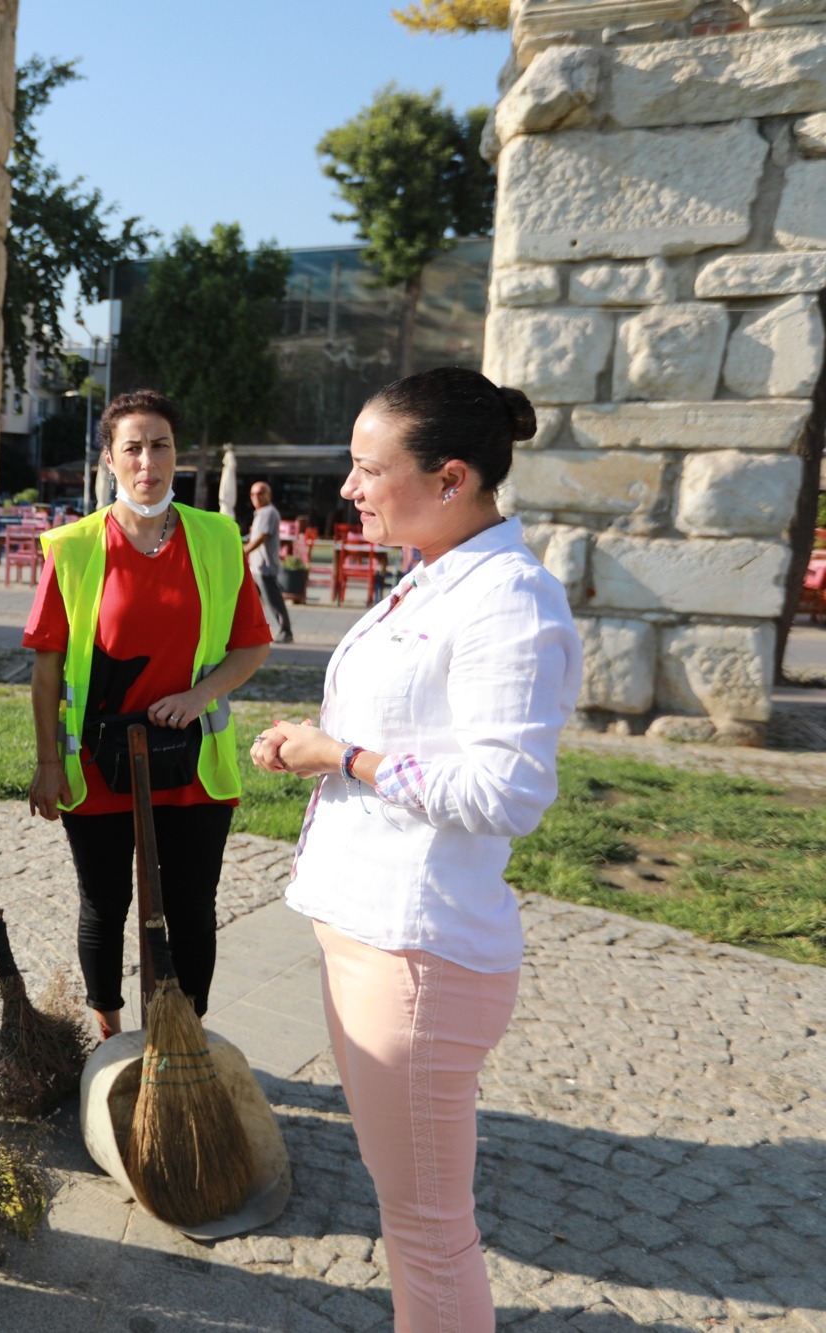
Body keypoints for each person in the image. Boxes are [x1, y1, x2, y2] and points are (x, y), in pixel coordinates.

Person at [251, 367, 579, 1333]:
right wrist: (323, 744)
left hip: (418, 955)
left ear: (450, 478)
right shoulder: (435, 576)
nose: (349, 488)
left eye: (367, 468)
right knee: (409, 1215)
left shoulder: (512, 601)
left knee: (431, 1227)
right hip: (366, 931)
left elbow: (503, 792)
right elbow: (419, 736)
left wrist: (339, 753)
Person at [24, 389, 271, 1039]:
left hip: (192, 765)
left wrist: (197, 697)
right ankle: (110, 1031)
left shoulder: (217, 538)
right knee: (106, 905)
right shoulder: (73, 548)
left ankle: (185, 1038)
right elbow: (47, 667)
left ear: (176, 454)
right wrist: (49, 761)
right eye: (132, 446)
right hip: (98, 766)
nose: (147, 459)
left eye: (159, 444)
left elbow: (253, 644)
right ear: (109, 459)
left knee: (192, 907)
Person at [244, 481, 295, 643]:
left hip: (264, 566)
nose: (256, 497)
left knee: (272, 600)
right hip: (256, 566)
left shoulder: (268, 512)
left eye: (260, 493)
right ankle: (253, 631)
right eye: (253, 494)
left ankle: (286, 631)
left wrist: (243, 551)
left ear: (268, 495)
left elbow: (261, 537)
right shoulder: (261, 513)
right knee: (253, 602)